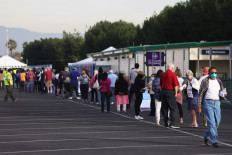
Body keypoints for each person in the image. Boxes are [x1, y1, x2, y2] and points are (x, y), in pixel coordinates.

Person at [198, 67, 227, 148]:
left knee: (217, 122)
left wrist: (224, 94)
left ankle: (207, 135)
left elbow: (222, 91)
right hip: (207, 102)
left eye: (215, 73)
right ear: (209, 73)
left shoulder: (219, 81)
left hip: (217, 102)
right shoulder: (205, 81)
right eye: (212, 73)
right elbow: (200, 94)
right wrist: (199, 106)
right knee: (211, 122)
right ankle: (214, 141)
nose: (214, 74)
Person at [160, 63, 179, 128]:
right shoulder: (173, 74)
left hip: (163, 91)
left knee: (164, 107)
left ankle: (166, 122)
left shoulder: (163, 74)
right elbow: (176, 85)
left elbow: (160, 85)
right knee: (172, 107)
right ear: (172, 68)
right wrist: (176, 93)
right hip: (170, 91)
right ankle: (172, 123)